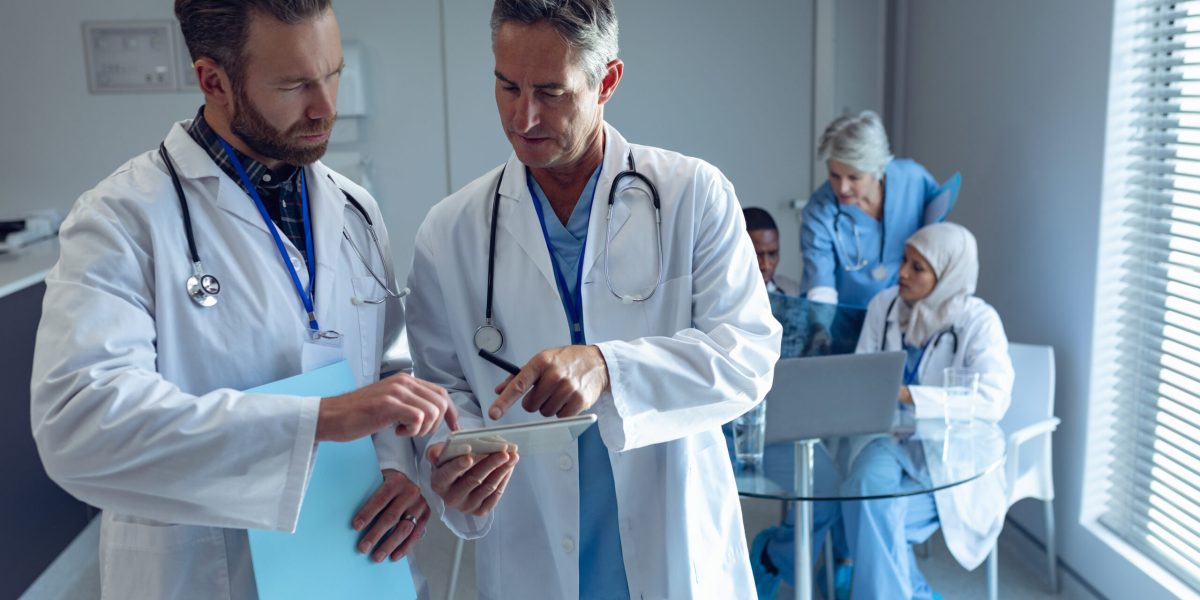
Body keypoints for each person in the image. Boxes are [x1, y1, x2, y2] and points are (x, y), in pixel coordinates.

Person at [29, 2, 456, 598]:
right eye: (294, 85)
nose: (325, 106)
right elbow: (79, 426)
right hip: (205, 571)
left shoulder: (355, 210)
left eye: (332, 73)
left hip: (351, 560)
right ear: (214, 81)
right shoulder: (122, 218)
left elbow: (387, 365)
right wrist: (318, 422)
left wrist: (393, 466)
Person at [403, 1, 782, 598]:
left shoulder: (693, 195)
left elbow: (747, 356)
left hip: (672, 537)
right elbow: (441, 386)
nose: (524, 117)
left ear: (607, 81)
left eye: (551, 93)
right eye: (507, 87)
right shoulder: (450, 231)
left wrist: (608, 367)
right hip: (533, 542)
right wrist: (453, 459)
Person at [842, 221, 1013, 598]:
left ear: (949, 273)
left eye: (917, 267)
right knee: (862, 490)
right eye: (904, 260)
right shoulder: (884, 304)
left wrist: (909, 395)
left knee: (876, 517)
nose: (902, 272)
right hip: (887, 440)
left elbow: (993, 401)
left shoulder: (979, 321)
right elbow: (860, 371)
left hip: (949, 455)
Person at [801, 110, 956, 309]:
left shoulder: (912, 179)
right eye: (834, 175)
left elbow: (935, 234)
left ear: (878, 169)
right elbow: (820, 281)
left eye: (854, 177)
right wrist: (821, 325)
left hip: (906, 309)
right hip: (846, 315)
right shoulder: (820, 210)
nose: (842, 187)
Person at [745, 207, 800, 295]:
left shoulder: (792, 291)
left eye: (772, 254)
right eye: (757, 255)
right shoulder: (721, 298)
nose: (766, 266)